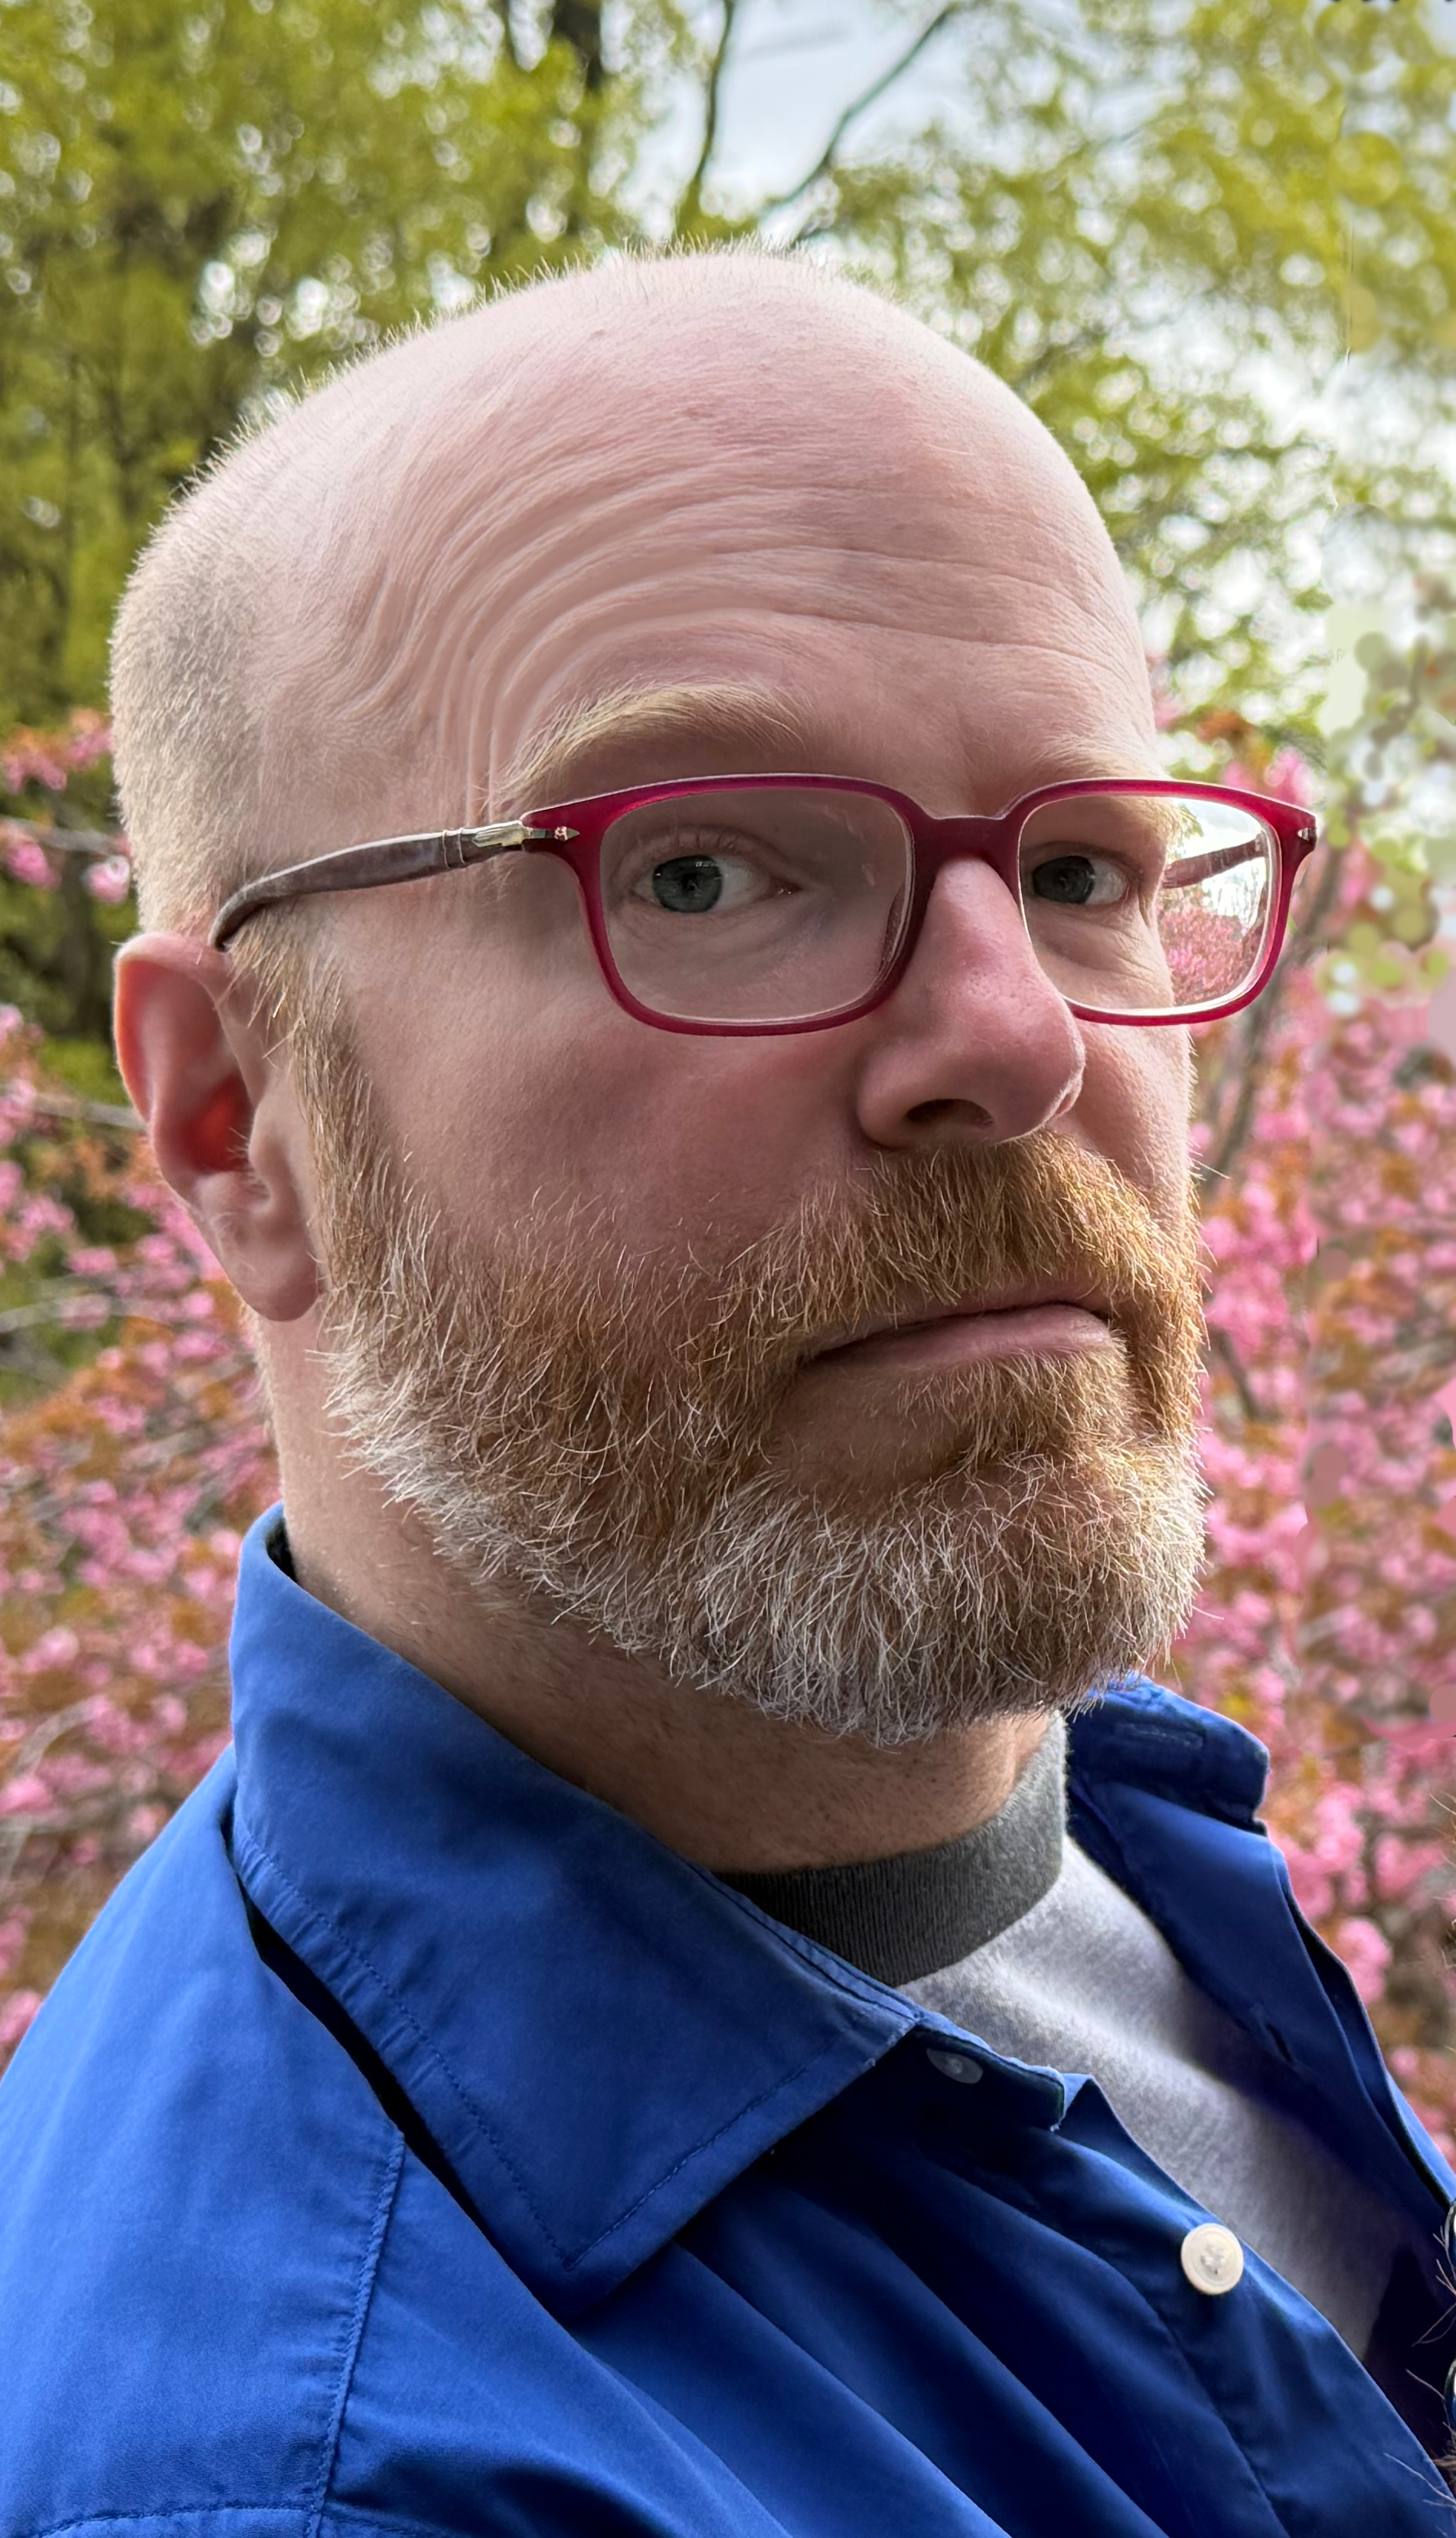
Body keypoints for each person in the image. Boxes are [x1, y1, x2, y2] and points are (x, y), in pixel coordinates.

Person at [1, 243, 1452, 2537]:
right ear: (230, 1125)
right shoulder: (336, 2477)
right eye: (694, 871)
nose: (1020, 1036)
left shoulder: (1095, 1849)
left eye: (1078, 865)